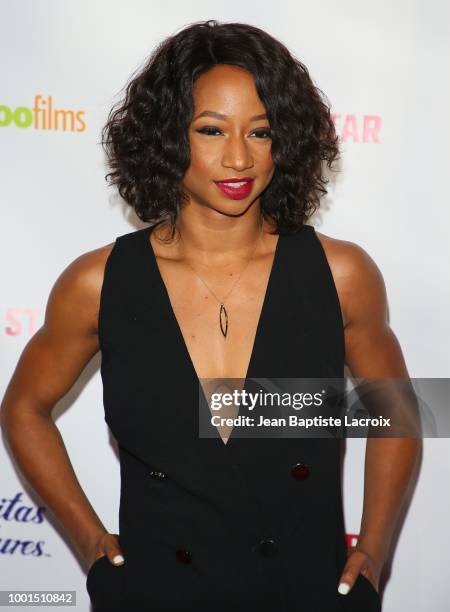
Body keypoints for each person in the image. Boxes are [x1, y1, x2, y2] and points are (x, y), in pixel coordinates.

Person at [0, 19, 421, 612]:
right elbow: (23, 407)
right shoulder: (98, 284)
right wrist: (95, 548)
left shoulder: (341, 275)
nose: (237, 157)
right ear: (169, 138)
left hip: (305, 592)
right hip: (155, 594)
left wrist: (374, 554)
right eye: (211, 129)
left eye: (261, 131)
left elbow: (396, 411)